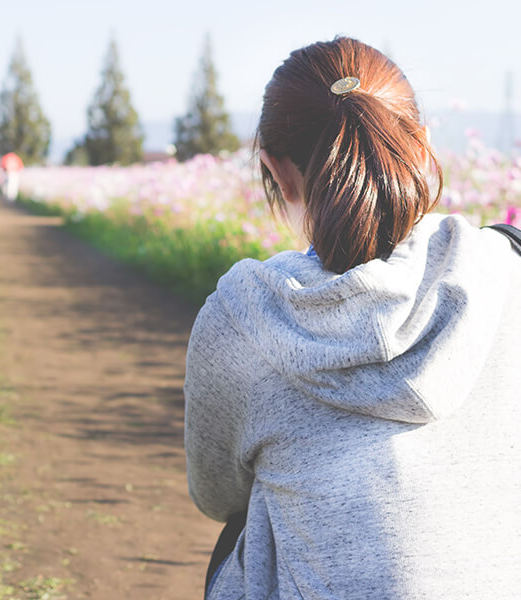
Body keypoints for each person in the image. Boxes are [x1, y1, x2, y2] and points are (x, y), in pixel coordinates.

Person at [184, 36, 521, 599]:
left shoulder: (240, 319)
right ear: (421, 144)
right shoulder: (507, 268)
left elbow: (217, 495)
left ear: (276, 171)